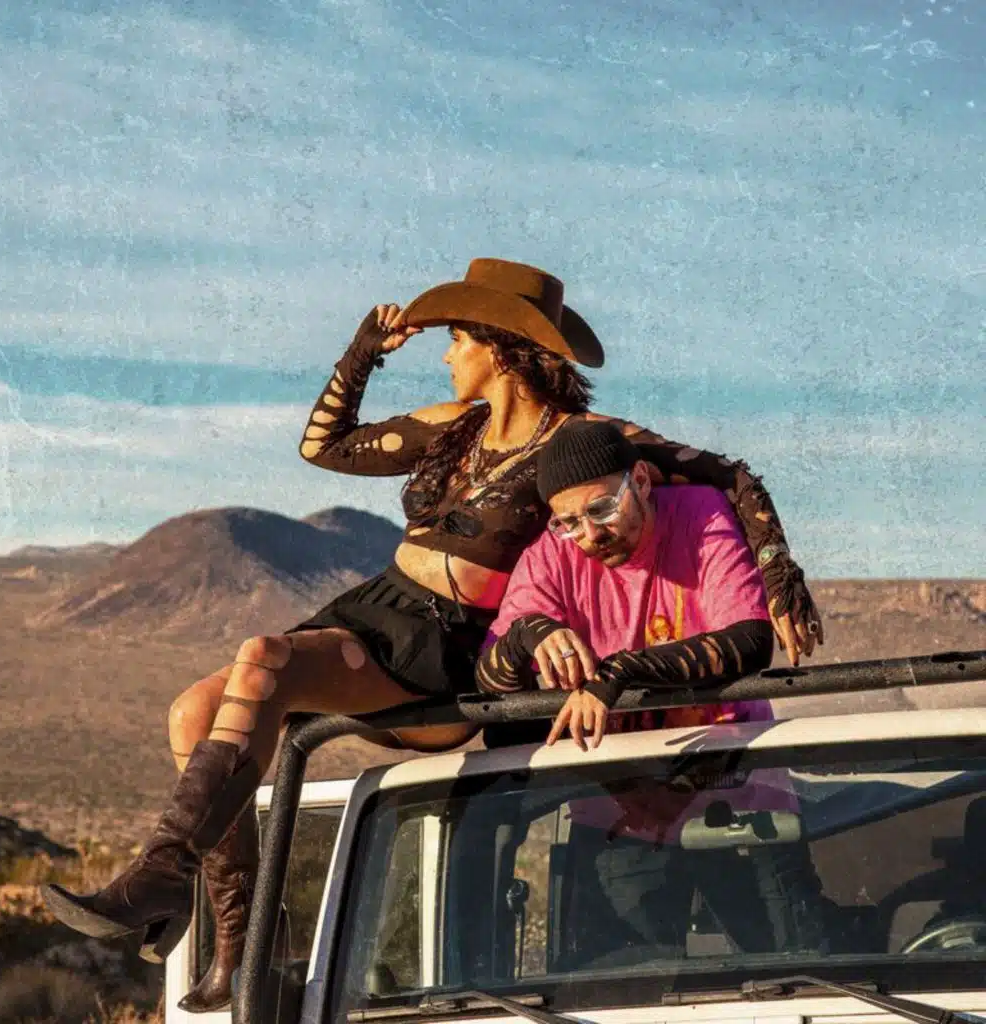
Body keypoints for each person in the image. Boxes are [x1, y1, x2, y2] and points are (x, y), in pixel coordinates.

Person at [40, 258, 822, 1013]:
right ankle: (241, 946)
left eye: (457, 339)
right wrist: (361, 356)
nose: (447, 355)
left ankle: (162, 873)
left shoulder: (585, 441)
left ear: (500, 348)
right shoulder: (456, 427)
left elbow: (732, 477)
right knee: (191, 713)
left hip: (436, 643)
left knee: (265, 659)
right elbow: (323, 447)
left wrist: (779, 575)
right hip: (374, 607)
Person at [475, 420, 826, 959]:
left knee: (795, 974)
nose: (589, 535)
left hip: (740, 800)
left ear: (640, 480)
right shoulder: (551, 553)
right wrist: (530, 633)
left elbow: (751, 642)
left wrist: (617, 674)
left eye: (601, 509)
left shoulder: (702, 514)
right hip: (617, 817)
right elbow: (489, 681)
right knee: (614, 986)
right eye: (569, 522)